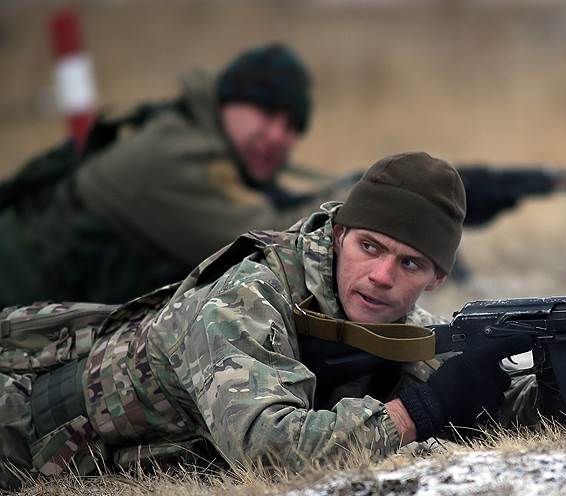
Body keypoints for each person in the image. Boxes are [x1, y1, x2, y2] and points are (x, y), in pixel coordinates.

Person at [0, 151, 566, 491]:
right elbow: (266, 451)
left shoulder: (391, 320)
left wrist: (558, 387)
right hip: (20, 436)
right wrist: (417, 415)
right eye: (371, 248)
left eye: (409, 263)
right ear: (340, 233)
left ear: (436, 278)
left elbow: (467, 400)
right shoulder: (243, 298)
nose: (382, 276)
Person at [0, 43, 331, 306]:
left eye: (291, 127)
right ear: (227, 102)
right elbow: (268, 242)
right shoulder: (180, 157)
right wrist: (356, 197)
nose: (276, 136)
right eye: (267, 112)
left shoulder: (192, 133)